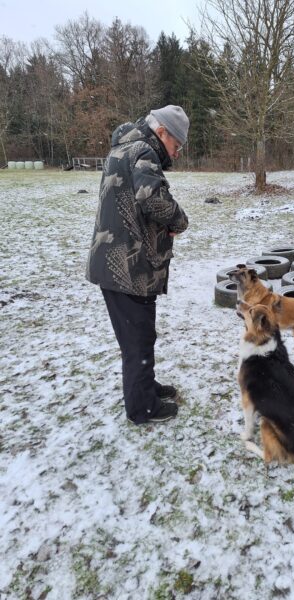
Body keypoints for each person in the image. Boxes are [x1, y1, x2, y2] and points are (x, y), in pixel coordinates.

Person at [86, 105, 189, 425]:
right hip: (127, 268)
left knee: (140, 336)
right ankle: (142, 408)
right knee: (138, 341)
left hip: (122, 265)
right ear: (162, 132)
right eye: (176, 145)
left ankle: (145, 387)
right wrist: (179, 220)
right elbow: (152, 197)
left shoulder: (126, 148)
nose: (176, 153)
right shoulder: (143, 151)